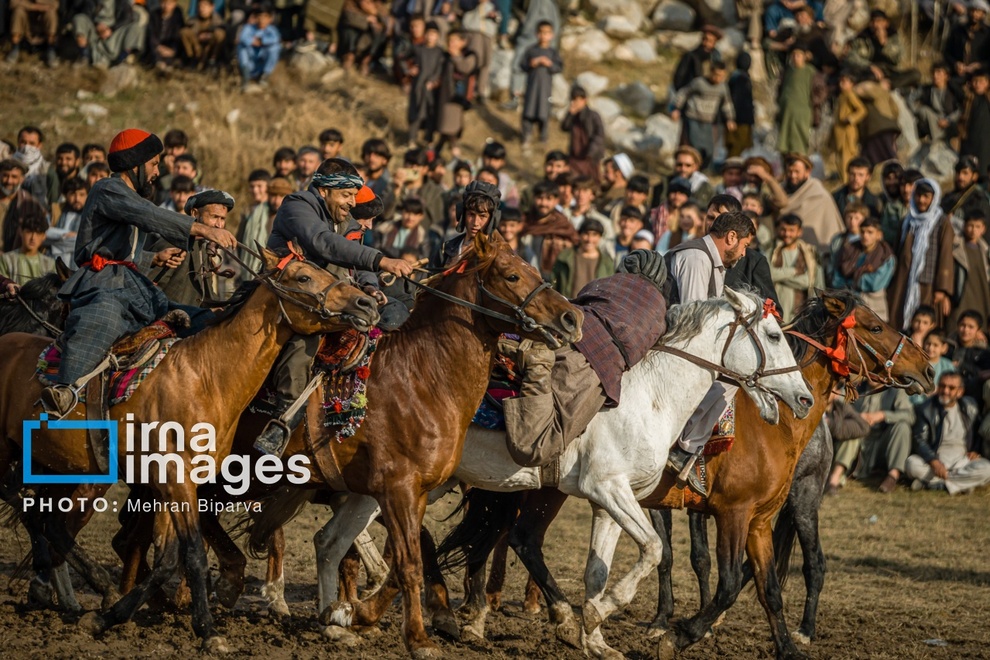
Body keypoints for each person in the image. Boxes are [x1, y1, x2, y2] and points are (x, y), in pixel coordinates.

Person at [40, 129, 238, 417]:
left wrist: (153, 258)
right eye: (154, 164)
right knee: (102, 319)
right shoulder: (107, 189)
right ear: (135, 165)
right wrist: (202, 229)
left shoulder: (128, 198)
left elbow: (128, 256)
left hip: (131, 285)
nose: (158, 171)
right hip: (100, 285)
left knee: (199, 320)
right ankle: (64, 391)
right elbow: (151, 215)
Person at [257, 158, 415, 456]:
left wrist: (370, 287)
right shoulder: (297, 206)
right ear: (324, 190)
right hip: (284, 298)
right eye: (346, 195)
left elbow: (354, 253)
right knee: (304, 341)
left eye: (354, 196)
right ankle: (284, 421)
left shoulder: (341, 215)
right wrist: (382, 260)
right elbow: (324, 244)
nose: (352, 203)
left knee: (390, 319)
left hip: (323, 300)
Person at [502, 249, 669, 467]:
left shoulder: (608, 282)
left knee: (535, 443)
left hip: (574, 342)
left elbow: (573, 307)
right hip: (600, 371)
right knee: (539, 447)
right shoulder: (660, 313)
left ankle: (534, 358)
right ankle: (535, 361)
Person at [664, 212, 756, 496]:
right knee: (728, 380)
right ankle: (684, 447)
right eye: (744, 245)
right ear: (731, 237)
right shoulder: (698, 258)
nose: (743, 254)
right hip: (668, 346)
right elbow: (691, 321)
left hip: (676, 343)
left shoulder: (712, 261)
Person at [150, 189, 237, 306]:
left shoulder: (204, 248)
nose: (219, 225)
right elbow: (148, 290)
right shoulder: (174, 243)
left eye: (222, 219)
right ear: (195, 213)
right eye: (214, 217)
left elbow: (206, 296)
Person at [888, 179, 956, 330]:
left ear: (934, 198)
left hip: (928, 283)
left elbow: (946, 256)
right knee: (898, 321)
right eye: (918, 195)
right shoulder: (907, 221)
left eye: (926, 196)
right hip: (903, 280)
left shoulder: (942, 222)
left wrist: (942, 289)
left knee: (923, 322)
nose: (921, 200)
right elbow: (897, 251)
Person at [907, 372, 990, 493]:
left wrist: (975, 450)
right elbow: (919, 439)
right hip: (936, 461)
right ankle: (962, 484)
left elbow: (977, 432)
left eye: (951, 388)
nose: (945, 391)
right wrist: (933, 461)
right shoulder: (925, 409)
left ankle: (937, 484)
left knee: (987, 469)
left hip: (962, 461)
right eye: (942, 386)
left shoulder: (970, 407)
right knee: (911, 464)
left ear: (960, 391)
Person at [846, 387, 917, 493]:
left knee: (903, 427)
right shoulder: (856, 389)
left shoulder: (896, 391)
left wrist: (883, 415)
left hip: (883, 442)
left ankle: (893, 475)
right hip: (860, 443)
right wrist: (858, 417)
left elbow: (910, 416)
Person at [672, 61, 736, 169]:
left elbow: (727, 104)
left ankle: (703, 170)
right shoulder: (699, 83)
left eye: (721, 76)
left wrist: (730, 119)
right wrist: (676, 109)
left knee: (709, 150)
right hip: (693, 118)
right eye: (716, 75)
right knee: (694, 147)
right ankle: (690, 170)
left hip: (708, 121)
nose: (718, 78)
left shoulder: (722, 88)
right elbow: (684, 93)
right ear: (711, 72)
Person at [777, 152, 844, 254]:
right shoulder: (780, 190)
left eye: (797, 172)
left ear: (807, 172)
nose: (793, 176)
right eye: (790, 171)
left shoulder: (819, 195)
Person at [834, 216, 895, 322]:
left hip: (874, 308)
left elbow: (875, 283)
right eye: (862, 232)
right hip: (849, 306)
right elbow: (836, 280)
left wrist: (852, 280)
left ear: (879, 234)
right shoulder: (850, 249)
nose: (865, 235)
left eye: (870, 232)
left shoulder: (886, 255)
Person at [769, 214, 822, 322]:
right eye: (784, 229)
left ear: (799, 232)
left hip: (799, 315)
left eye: (791, 230)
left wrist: (780, 277)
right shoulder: (772, 252)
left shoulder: (809, 254)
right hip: (775, 312)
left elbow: (807, 281)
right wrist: (794, 271)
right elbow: (769, 275)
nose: (787, 234)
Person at [521, 180, 578, 279]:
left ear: (556, 201)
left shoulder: (562, 224)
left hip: (552, 279)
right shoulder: (524, 221)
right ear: (534, 198)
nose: (543, 203)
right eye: (540, 198)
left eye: (548, 199)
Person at [434, 30, 478, 158]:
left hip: (457, 97)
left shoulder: (469, 56)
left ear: (463, 42)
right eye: (449, 40)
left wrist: (456, 56)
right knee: (445, 127)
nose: (451, 43)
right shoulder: (445, 56)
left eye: (454, 40)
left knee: (450, 127)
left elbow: (465, 68)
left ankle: (455, 153)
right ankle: (438, 151)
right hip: (444, 95)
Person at [776, 43, 825, 156]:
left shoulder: (811, 72)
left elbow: (821, 90)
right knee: (785, 141)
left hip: (803, 111)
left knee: (799, 142)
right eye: (793, 55)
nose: (796, 57)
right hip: (787, 111)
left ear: (805, 56)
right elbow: (780, 89)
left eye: (799, 55)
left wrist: (814, 102)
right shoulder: (787, 71)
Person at [520, 21, 562, 148]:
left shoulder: (553, 52)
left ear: (552, 35)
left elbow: (559, 67)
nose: (544, 36)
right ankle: (526, 136)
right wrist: (532, 63)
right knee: (529, 110)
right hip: (532, 87)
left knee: (544, 112)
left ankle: (543, 138)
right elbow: (522, 65)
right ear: (537, 34)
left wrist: (549, 64)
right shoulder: (532, 50)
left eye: (547, 33)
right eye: (542, 32)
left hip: (546, 89)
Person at [551, 218, 614, 298]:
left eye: (594, 235)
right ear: (579, 235)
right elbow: (554, 285)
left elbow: (610, 291)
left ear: (600, 237)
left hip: (593, 308)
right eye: (586, 234)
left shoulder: (607, 262)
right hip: (568, 306)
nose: (589, 239)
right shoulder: (564, 257)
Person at [71, 0, 144, 68]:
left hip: (114, 35)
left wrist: (111, 29)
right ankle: (85, 57)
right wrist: (97, 25)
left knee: (135, 28)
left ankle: (120, 61)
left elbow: (127, 17)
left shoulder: (121, 2)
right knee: (79, 19)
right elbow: (86, 13)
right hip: (94, 33)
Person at [406, 21, 443, 147]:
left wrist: (433, 80)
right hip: (418, 86)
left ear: (437, 36)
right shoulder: (418, 49)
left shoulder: (440, 52)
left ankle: (429, 140)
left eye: (434, 34)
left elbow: (439, 69)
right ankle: (411, 139)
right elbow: (404, 59)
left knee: (430, 114)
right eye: (428, 34)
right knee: (415, 112)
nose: (431, 37)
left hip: (432, 89)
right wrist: (410, 70)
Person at [951, 210, 990, 329]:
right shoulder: (956, 246)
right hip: (960, 296)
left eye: (977, 226)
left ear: (983, 229)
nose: (973, 230)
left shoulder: (985, 251)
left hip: (982, 297)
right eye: (970, 225)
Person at [0, 158, 46, 253]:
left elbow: (40, 234)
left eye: (14, 177)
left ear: (22, 179)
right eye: (5, 176)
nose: (9, 181)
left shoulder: (30, 204)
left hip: (17, 259)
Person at [561, 86, 605, 182]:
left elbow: (599, 136)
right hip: (575, 157)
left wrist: (590, 152)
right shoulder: (573, 116)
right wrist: (570, 114)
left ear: (584, 100)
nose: (574, 103)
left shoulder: (593, 115)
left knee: (592, 181)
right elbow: (564, 127)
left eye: (576, 100)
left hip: (589, 157)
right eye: (572, 99)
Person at [0, 211, 55, 285]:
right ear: (21, 232)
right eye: (29, 232)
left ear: (44, 236)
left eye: (38, 233)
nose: (33, 238)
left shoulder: (50, 264)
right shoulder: (6, 260)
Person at [374, 196, 437, 261]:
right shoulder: (385, 228)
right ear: (402, 212)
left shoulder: (422, 237)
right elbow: (376, 250)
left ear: (421, 216)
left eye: (415, 214)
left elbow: (424, 259)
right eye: (407, 212)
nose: (410, 218)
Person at [236, 169, 274, 274]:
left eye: (259, 186)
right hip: (246, 264)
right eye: (252, 187)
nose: (255, 190)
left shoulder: (273, 210)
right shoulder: (247, 211)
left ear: (267, 187)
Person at [238, 2, 281, 91]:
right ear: (256, 18)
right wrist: (252, 41)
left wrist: (262, 41)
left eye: (265, 17)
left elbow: (276, 39)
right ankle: (245, 78)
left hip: (261, 63)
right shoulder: (249, 28)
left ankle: (264, 76)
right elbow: (243, 37)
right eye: (260, 17)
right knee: (241, 46)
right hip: (249, 63)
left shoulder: (272, 30)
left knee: (275, 47)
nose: (262, 20)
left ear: (270, 19)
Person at [915, 63, 961, 146]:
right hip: (933, 120)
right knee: (923, 111)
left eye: (939, 73)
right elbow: (912, 98)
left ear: (946, 76)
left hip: (949, 123)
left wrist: (948, 120)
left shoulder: (952, 91)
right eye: (934, 73)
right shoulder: (927, 90)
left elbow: (959, 110)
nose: (935, 76)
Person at [832, 69, 867, 178]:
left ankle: (848, 182)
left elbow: (862, 110)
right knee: (840, 160)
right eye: (841, 81)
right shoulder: (842, 96)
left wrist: (851, 118)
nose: (842, 84)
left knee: (847, 160)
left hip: (847, 133)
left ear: (852, 84)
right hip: (840, 133)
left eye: (845, 81)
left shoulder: (850, 95)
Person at [941, 155, 990, 233]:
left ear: (974, 176)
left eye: (965, 173)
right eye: (958, 172)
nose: (960, 177)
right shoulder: (948, 196)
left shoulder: (979, 199)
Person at [46, 177, 88, 262]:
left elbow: (86, 242)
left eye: (81, 194)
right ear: (65, 195)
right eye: (73, 194)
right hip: (52, 264)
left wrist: (56, 238)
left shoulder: (91, 215)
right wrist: (67, 234)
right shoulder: (56, 210)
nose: (77, 199)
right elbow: (44, 234)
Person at [910, 328, 956, 406]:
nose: (930, 348)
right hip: (916, 403)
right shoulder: (916, 363)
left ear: (944, 348)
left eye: (935, 345)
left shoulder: (947, 365)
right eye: (928, 344)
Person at [6, 0, 59, 66]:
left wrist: (40, 3)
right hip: (26, 23)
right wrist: (33, 6)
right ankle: (15, 48)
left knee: (51, 13)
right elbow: (13, 3)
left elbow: (56, 4)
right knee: (18, 12)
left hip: (41, 22)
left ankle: (51, 49)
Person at [960, 67, 990, 182]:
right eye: (975, 81)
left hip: (986, 146)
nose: (977, 84)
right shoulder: (968, 99)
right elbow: (953, 83)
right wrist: (967, 72)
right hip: (969, 144)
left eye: (981, 81)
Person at [672, 24, 722, 92]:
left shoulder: (716, 56)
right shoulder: (691, 56)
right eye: (704, 39)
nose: (706, 44)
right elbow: (680, 77)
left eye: (710, 41)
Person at [181, 0, 227, 70]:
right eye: (200, 6)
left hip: (210, 49)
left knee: (220, 33)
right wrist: (197, 36)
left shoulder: (218, 21)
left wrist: (209, 35)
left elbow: (221, 31)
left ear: (212, 7)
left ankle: (212, 61)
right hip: (197, 48)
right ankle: (191, 59)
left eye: (205, 6)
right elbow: (188, 30)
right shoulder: (192, 20)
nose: (202, 9)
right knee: (184, 32)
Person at [727, 51, 754, 157]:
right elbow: (737, 100)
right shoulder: (741, 79)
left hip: (740, 119)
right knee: (737, 146)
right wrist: (731, 118)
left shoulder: (736, 77)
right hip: (740, 120)